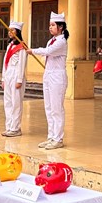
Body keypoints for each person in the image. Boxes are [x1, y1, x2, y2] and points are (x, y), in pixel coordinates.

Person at [28, 11, 68, 149]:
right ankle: (51, 136)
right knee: (49, 108)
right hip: (48, 75)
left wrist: (33, 51)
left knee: (57, 108)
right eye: (50, 25)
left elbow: (48, 51)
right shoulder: (51, 40)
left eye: (53, 25)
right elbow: (47, 53)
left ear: (60, 27)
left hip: (57, 77)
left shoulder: (61, 41)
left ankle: (58, 138)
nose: (50, 27)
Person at [1, 21, 27, 137]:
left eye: (12, 30)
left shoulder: (22, 46)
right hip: (8, 74)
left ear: (18, 32)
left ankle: (15, 128)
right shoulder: (9, 45)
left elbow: (22, 64)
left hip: (16, 74)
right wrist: (3, 78)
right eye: (9, 30)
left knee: (16, 102)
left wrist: (19, 80)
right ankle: (9, 126)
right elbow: (5, 63)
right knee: (8, 102)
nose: (10, 32)